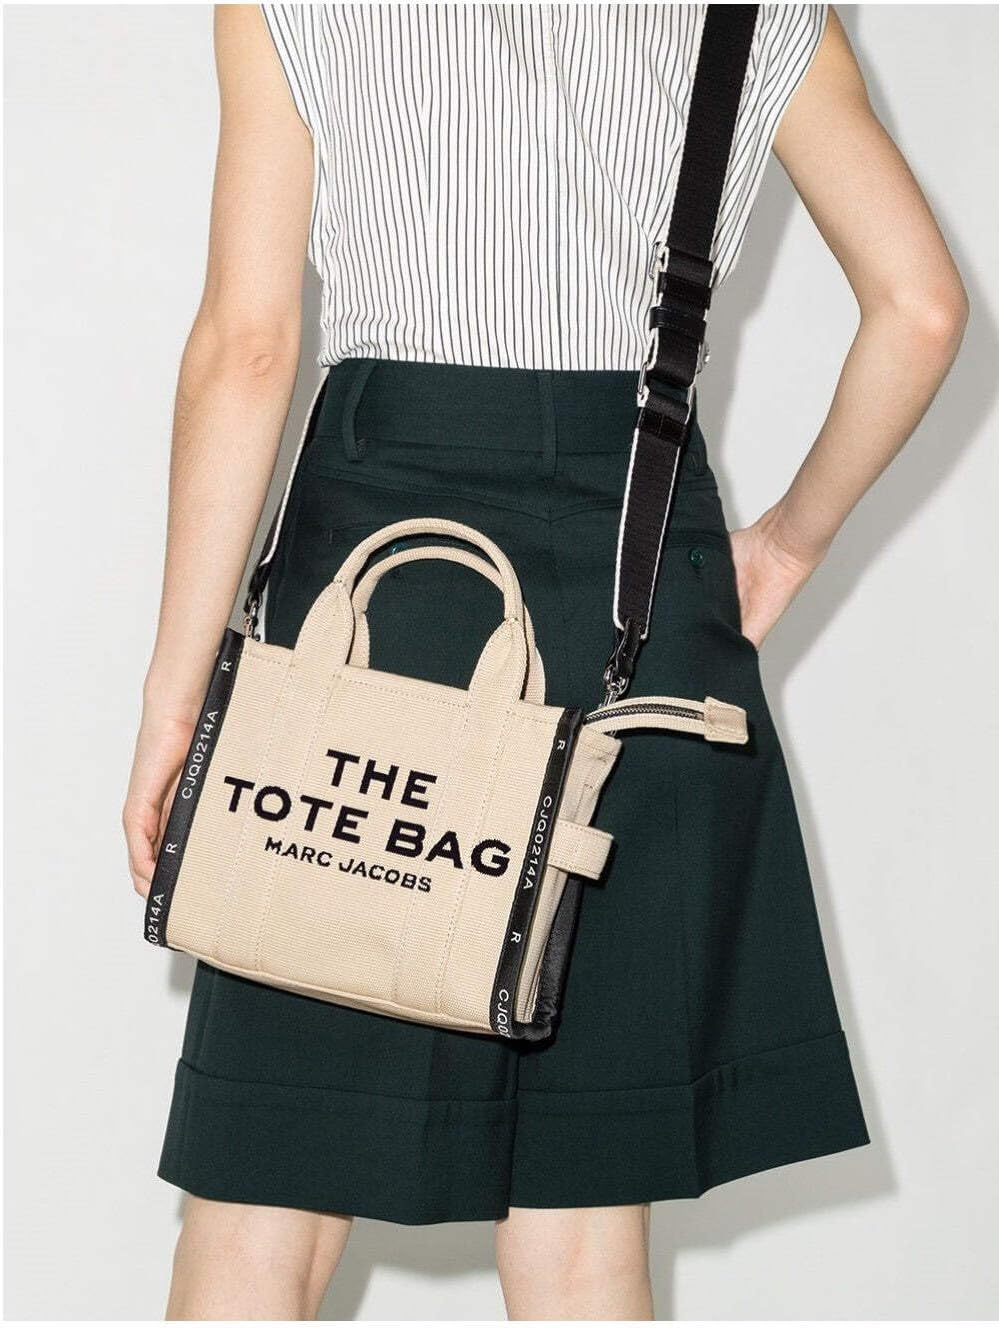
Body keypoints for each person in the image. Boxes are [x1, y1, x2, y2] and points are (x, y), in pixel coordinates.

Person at [123, 5, 966, 1320]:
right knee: (581, 1229)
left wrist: (176, 701)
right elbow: (920, 308)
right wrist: (788, 546)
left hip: (379, 614)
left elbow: (249, 349)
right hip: (633, 601)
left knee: (265, 1199)